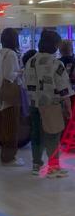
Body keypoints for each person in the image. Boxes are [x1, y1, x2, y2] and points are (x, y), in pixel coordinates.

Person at [25, 30, 73, 177]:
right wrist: (68, 105)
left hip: (34, 102)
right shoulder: (55, 63)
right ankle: (53, 167)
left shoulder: (30, 61)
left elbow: (25, 82)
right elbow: (63, 87)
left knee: (36, 133)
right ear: (54, 45)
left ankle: (36, 164)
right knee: (53, 134)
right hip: (51, 103)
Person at [0, 28, 24, 166]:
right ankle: (9, 157)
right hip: (10, 95)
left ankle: (6, 155)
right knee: (12, 127)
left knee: (6, 127)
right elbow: (10, 76)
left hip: (2, 93)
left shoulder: (2, 53)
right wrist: (21, 71)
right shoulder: (12, 54)